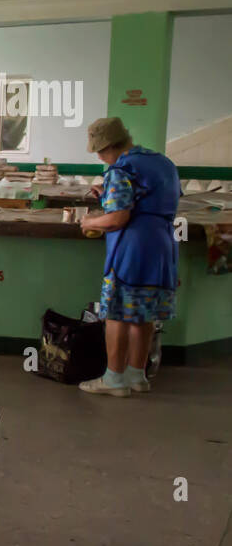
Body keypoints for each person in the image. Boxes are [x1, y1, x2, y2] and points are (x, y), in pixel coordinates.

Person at [77, 117, 180, 396]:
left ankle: (113, 379)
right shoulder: (163, 163)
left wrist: (90, 223)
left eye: (99, 151)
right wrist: (105, 196)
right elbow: (149, 202)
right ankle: (137, 376)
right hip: (162, 245)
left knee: (116, 314)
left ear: (109, 147)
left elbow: (118, 218)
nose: (99, 157)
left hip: (132, 248)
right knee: (142, 313)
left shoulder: (121, 169)